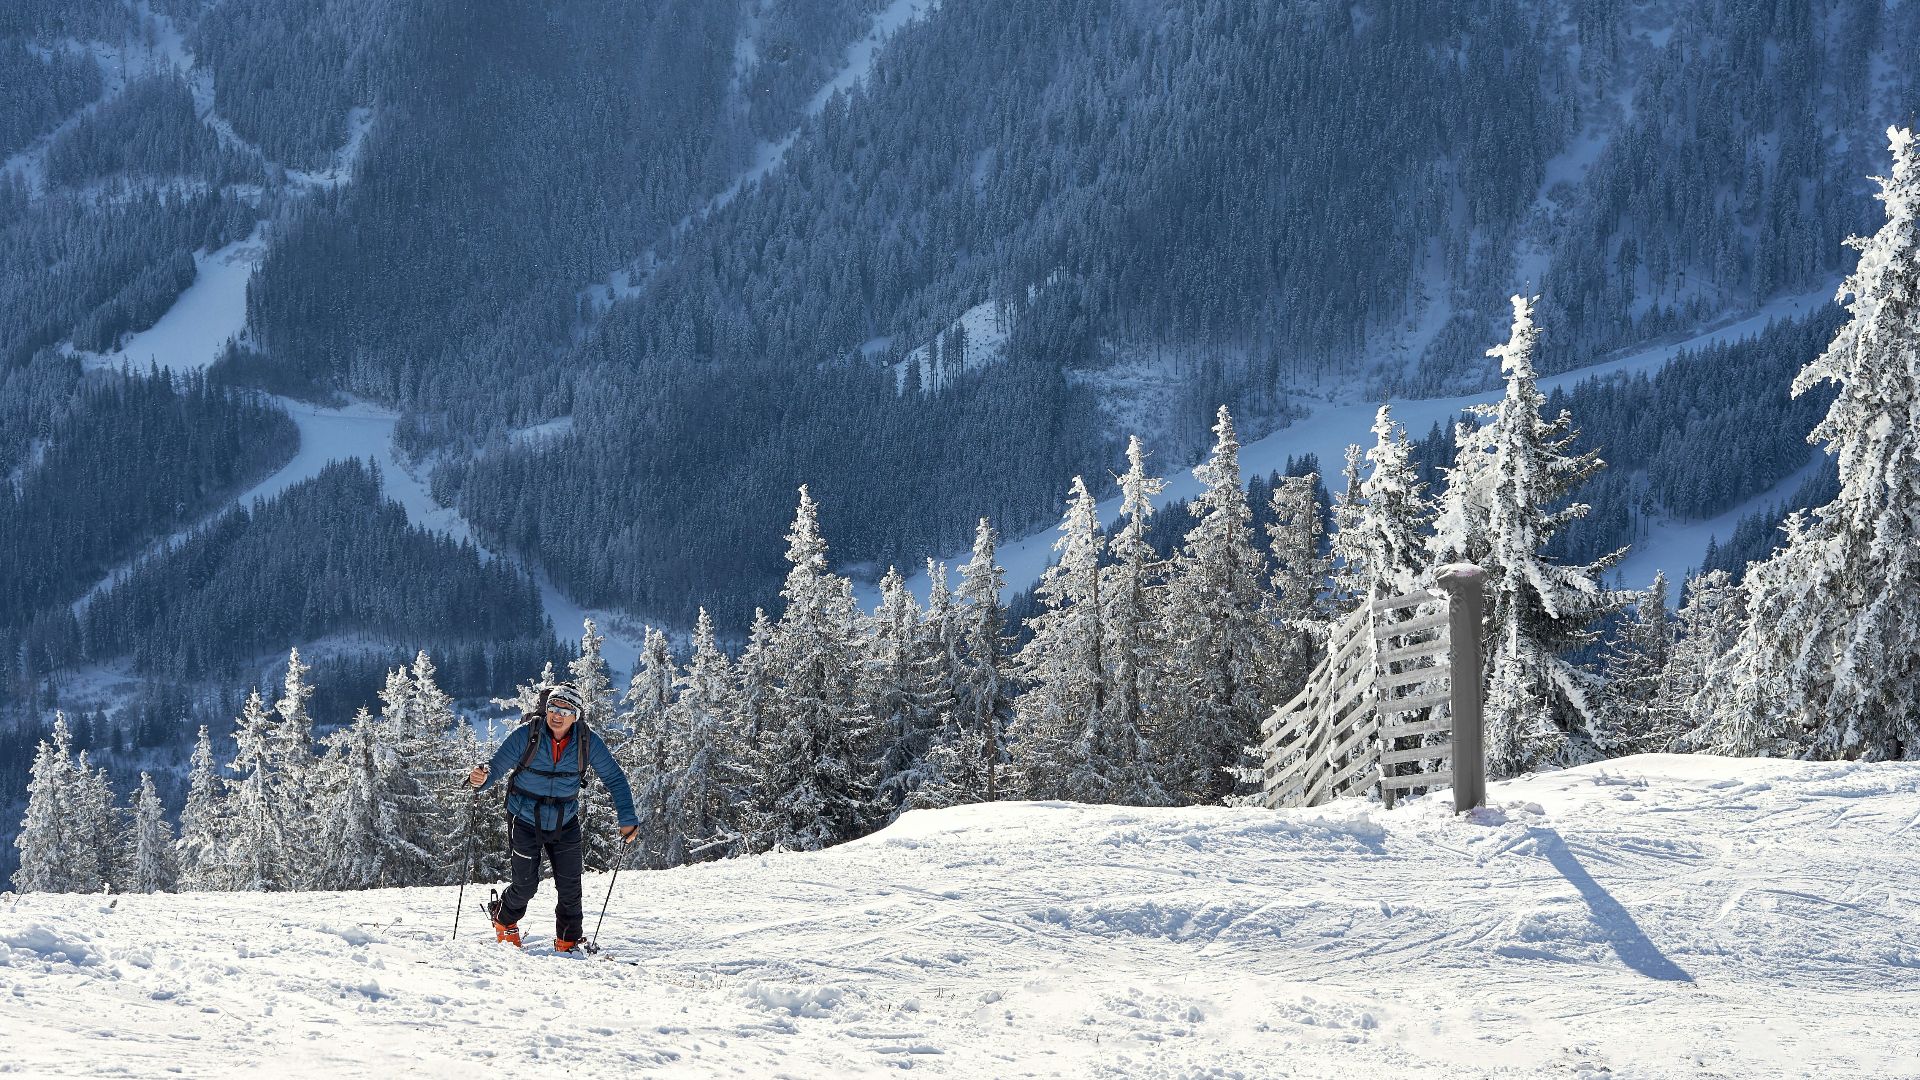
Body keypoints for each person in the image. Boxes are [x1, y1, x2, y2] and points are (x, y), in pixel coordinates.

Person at [466, 681, 638, 951]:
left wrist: (627, 818)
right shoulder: (527, 735)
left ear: (576, 715)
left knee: (570, 887)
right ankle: (503, 918)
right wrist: (481, 778)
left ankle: (568, 942)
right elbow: (496, 766)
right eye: (553, 708)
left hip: (564, 820)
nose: (557, 715)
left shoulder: (587, 742)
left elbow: (615, 778)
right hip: (523, 817)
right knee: (525, 886)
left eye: (566, 709)